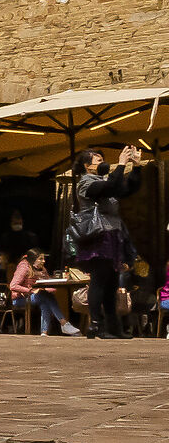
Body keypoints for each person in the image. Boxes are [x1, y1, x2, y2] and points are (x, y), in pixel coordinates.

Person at [69, 145, 141, 340]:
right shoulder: (85, 182)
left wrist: (136, 166)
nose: (103, 162)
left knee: (111, 283)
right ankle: (96, 326)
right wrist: (121, 164)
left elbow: (126, 189)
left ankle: (114, 328)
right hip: (98, 235)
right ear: (87, 166)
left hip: (113, 234)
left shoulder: (105, 180)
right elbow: (109, 187)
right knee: (99, 280)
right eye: (98, 160)